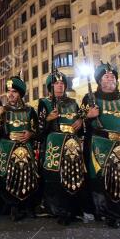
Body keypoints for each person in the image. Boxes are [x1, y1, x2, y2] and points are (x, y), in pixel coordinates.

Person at [82, 62, 120, 229]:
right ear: (99, 81)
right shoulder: (90, 98)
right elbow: (79, 123)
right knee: (106, 179)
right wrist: (89, 115)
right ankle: (108, 214)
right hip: (101, 144)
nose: (110, 77)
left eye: (113, 76)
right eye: (106, 76)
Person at [38, 71, 84, 225]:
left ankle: (74, 210)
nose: (59, 85)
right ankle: (57, 210)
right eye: (56, 83)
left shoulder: (73, 102)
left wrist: (81, 122)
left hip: (71, 144)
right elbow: (38, 129)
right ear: (50, 87)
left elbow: (80, 126)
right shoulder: (44, 103)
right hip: (54, 144)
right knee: (55, 178)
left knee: (73, 176)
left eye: (62, 83)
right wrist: (47, 119)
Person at [0, 75, 39, 221]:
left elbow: (37, 129)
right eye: (8, 91)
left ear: (20, 93)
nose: (10, 94)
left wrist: (30, 134)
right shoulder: (3, 109)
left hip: (25, 147)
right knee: (9, 177)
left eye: (14, 91)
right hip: (7, 148)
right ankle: (13, 207)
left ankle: (28, 206)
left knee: (28, 176)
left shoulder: (30, 110)